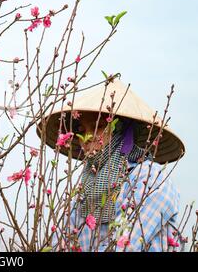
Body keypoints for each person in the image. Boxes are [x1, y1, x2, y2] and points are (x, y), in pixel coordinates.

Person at [37, 79, 186, 251]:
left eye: (98, 126)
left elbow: (126, 245)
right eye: (81, 130)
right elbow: (60, 244)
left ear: (120, 129)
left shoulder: (151, 179)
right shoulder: (83, 189)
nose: (89, 136)